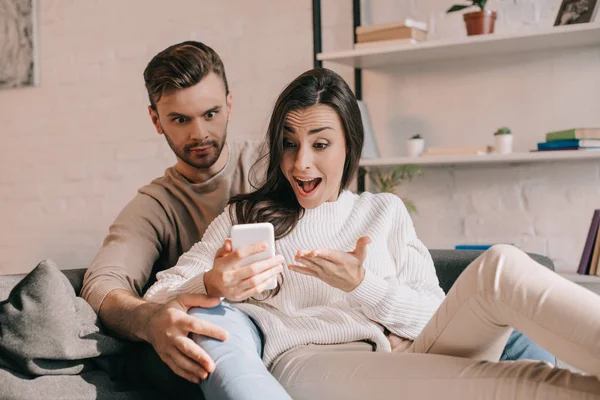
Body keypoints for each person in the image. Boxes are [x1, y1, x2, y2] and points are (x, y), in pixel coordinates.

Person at [80, 41, 553, 396]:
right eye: (289, 144)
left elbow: (437, 317)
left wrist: (363, 285)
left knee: (504, 271)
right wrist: (211, 284)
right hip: (308, 361)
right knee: (528, 381)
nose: (300, 163)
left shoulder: (381, 212)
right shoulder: (239, 212)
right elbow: (143, 290)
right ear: (157, 119)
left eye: (320, 145)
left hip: (392, 353)